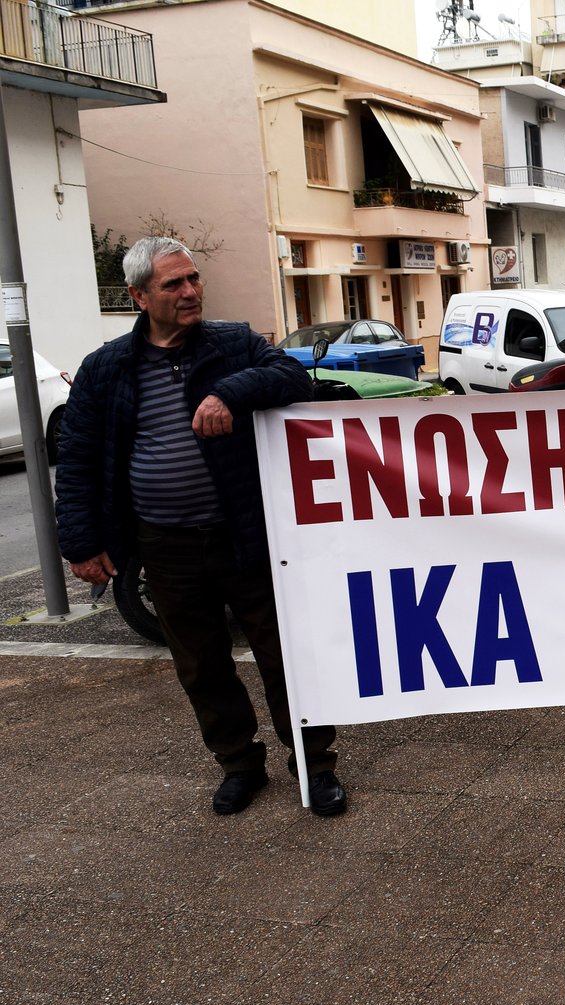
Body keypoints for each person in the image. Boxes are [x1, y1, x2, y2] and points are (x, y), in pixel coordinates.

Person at [55, 236, 347, 816]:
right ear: (139, 296)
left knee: (285, 655)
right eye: (173, 284)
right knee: (200, 664)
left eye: (193, 279)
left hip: (247, 535)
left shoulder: (233, 344)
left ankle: (315, 767)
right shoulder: (105, 368)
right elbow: (80, 457)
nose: (190, 292)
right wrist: (81, 543)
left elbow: (293, 379)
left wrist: (228, 393)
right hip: (163, 545)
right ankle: (239, 765)